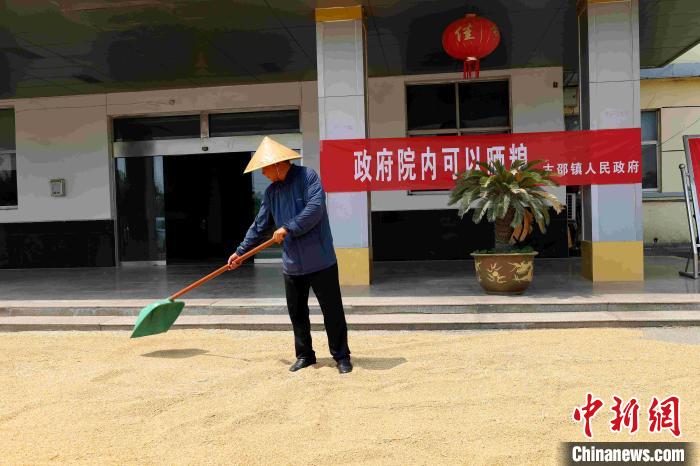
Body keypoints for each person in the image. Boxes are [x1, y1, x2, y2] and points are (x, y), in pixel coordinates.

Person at [228, 137, 352, 374]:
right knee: (297, 313)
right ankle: (305, 355)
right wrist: (241, 252)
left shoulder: (308, 177)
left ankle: (341, 356)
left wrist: (288, 227)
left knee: (332, 311)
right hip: (293, 264)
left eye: (264, 168)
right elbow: (260, 224)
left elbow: (315, 209)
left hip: (321, 259)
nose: (263, 173)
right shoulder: (272, 192)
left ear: (276, 164)